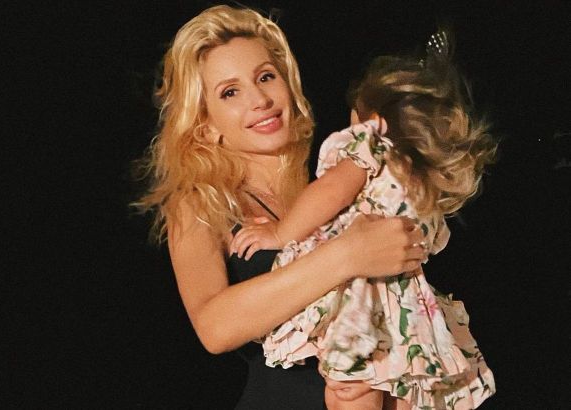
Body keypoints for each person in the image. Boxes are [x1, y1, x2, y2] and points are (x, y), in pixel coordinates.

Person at [136, 4, 430, 409]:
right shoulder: (201, 203)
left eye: (265, 77)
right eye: (230, 92)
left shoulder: (334, 182)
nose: (259, 99)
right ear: (206, 125)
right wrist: (346, 255)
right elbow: (214, 327)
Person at [230, 31, 497, 409]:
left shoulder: (368, 145)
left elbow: (331, 192)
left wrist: (279, 232)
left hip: (360, 298)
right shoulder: (422, 186)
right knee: (391, 388)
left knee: (348, 389)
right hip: (404, 310)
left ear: (372, 121)